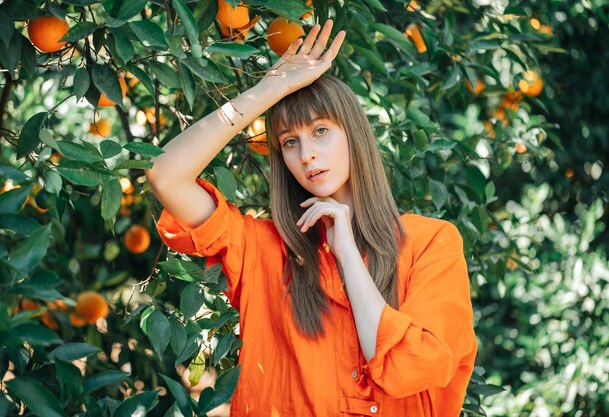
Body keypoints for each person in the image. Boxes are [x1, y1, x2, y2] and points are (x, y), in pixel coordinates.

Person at [147, 19, 477, 417]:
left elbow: (412, 368)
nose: (306, 155)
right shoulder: (263, 250)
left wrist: (347, 253)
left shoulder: (431, 243)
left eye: (321, 131)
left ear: (353, 134)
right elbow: (166, 174)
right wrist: (270, 89)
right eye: (290, 141)